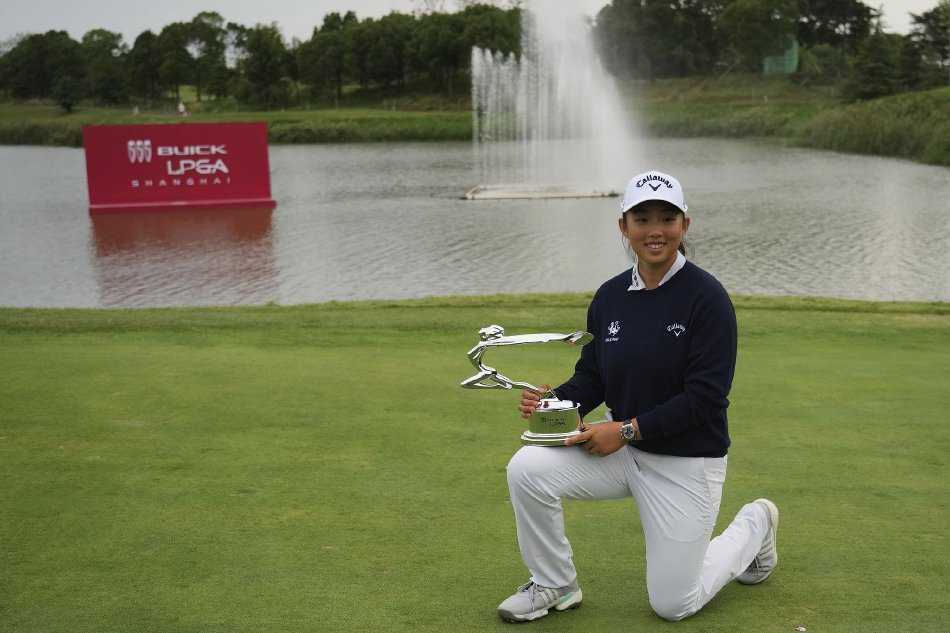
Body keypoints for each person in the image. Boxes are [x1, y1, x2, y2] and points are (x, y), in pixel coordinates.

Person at [497, 170, 779, 623]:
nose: (654, 230)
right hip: (623, 451)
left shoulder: (707, 298)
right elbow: (593, 378)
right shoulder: (610, 297)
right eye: (641, 218)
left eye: (666, 218)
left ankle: (755, 525)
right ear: (623, 226)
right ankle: (554, 585)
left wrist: (625, 430)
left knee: (673, 604)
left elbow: (705, 398)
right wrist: (555, 401)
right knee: (527, 468)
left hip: (685, 462)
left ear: (684, 225)